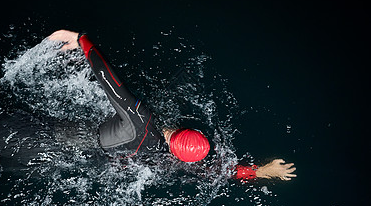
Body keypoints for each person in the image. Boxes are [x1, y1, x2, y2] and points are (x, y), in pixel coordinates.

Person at [47, 30, 297, 181]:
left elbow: (109, 79)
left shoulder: (141, 120)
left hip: (68, 141)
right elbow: (222, 172)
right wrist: (262, 172)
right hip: (99, 161)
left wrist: (82, 39)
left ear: (180, 132)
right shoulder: (176, 161)